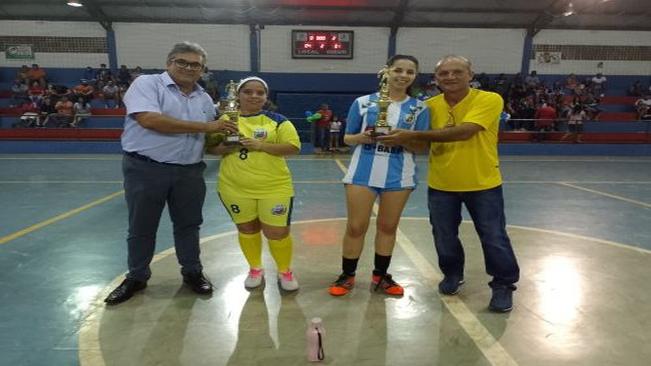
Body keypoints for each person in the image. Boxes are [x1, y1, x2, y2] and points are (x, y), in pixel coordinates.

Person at [377, 55, 520, 312]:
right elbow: (421, 146)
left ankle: (503, 285)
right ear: (436, 78)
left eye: (457, 72)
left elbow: (465, 130)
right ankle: (452, 274)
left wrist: (413, 134)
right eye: (444, 73)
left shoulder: (489, 99)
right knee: (444, 235)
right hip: (442, 184)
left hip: (483, 183)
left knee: (493, 236)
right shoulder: (428, 106)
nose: (450, 77)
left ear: (470, 75)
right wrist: (395, 137)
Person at [104, 41, 238, 305]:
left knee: (189, 225)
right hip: (145, 168)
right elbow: (150, 120)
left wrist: (236, 144)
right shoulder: (147, 84)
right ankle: (137, 277)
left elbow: (210, 142)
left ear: (203, 69)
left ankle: (192, 272)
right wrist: (207, 127)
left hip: (189, 172)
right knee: (141, 226)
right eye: (182, 62)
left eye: (195, 64)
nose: (189, 68)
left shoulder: (204, 99)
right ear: (169, 63)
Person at [328, 55, 430, 297]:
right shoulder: (363, 102)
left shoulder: (420, 108)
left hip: (399, 175)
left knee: (388, 226)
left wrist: (402, 138)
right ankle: (347, 275)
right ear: (388, 72)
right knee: (356, 226)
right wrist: (363, 138)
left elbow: (422, 147)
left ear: (415, 76)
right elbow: (347, 138)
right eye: (398, 70)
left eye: (410, 72)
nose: (403, 75)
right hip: (362, 171)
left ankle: (381, 276)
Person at [206, 76, 301, 291]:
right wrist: (226, 147)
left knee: (277, 232)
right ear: (238, 95)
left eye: (260, 92)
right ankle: (255, 268)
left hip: (274, 187)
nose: (254, 96)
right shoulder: (224, 120)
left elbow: (293, 148)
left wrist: (260, 145)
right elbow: (210, 148)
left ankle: (285, 271)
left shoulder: (278, 120)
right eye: (248, 92)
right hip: (234, 187)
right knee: (247, 229)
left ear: (266, 97)